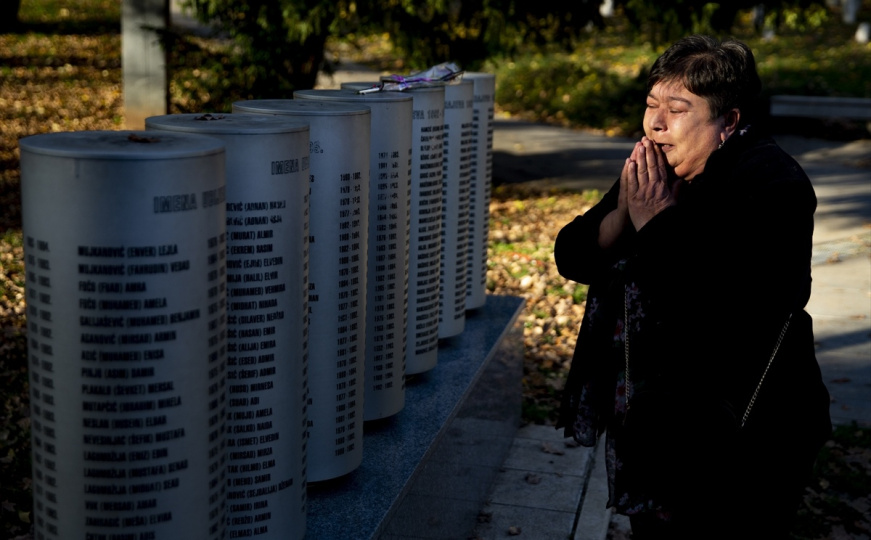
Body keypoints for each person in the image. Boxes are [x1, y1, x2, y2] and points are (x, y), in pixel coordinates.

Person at [554, 34, 832, 539]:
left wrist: (656, 222)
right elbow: (571, 255)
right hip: (658, 421)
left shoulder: (773, 184)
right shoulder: (653, 169)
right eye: (651, 105)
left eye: (677, 109)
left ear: (729, 120)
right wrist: (621, 215)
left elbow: (728, 307)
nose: (656, 123)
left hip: (747, 429)